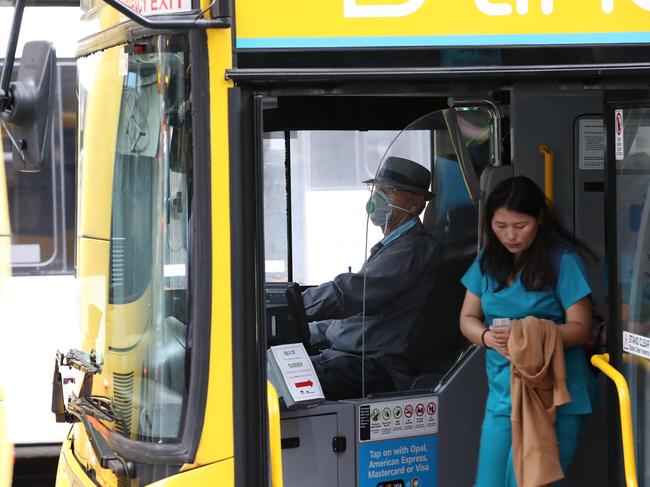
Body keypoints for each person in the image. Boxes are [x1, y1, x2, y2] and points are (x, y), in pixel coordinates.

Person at [459, 176, 596, 487]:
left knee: (533, 482)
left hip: (555, 399)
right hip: (502, 396)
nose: (510, 235)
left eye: (520, 226)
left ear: (539, 219)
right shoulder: (487, 261)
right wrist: (485, 337)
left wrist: (528, 334)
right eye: (500, 225)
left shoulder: (562, 260)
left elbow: (581, 327)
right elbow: (467, 317)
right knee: (490, 483)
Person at [303, 156, 441, 400]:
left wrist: (294, 305)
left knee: (275, 384)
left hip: (373, 368)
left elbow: (350, 293)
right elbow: (360, 318)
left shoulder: (410, 249)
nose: (377, 198)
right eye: (377, 190)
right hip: (346, 358)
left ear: (416, 204)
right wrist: (309, 329)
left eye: (390, 191)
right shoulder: (392, 246)